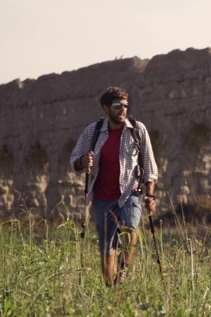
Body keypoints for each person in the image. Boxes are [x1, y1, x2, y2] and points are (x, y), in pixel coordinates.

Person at [70, 86, 159, 286]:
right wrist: (83, 161)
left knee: (130, 229)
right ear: (106, 108)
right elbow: (74, 159)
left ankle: (123, 271)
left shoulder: (137, 130)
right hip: (102, 199)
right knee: (106, 251)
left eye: (126, 105)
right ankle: (111, 290)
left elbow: (150, 166)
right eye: (118, 106)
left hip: (130, 194)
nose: (123, 110)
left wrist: (150, 195)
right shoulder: (92, 132)